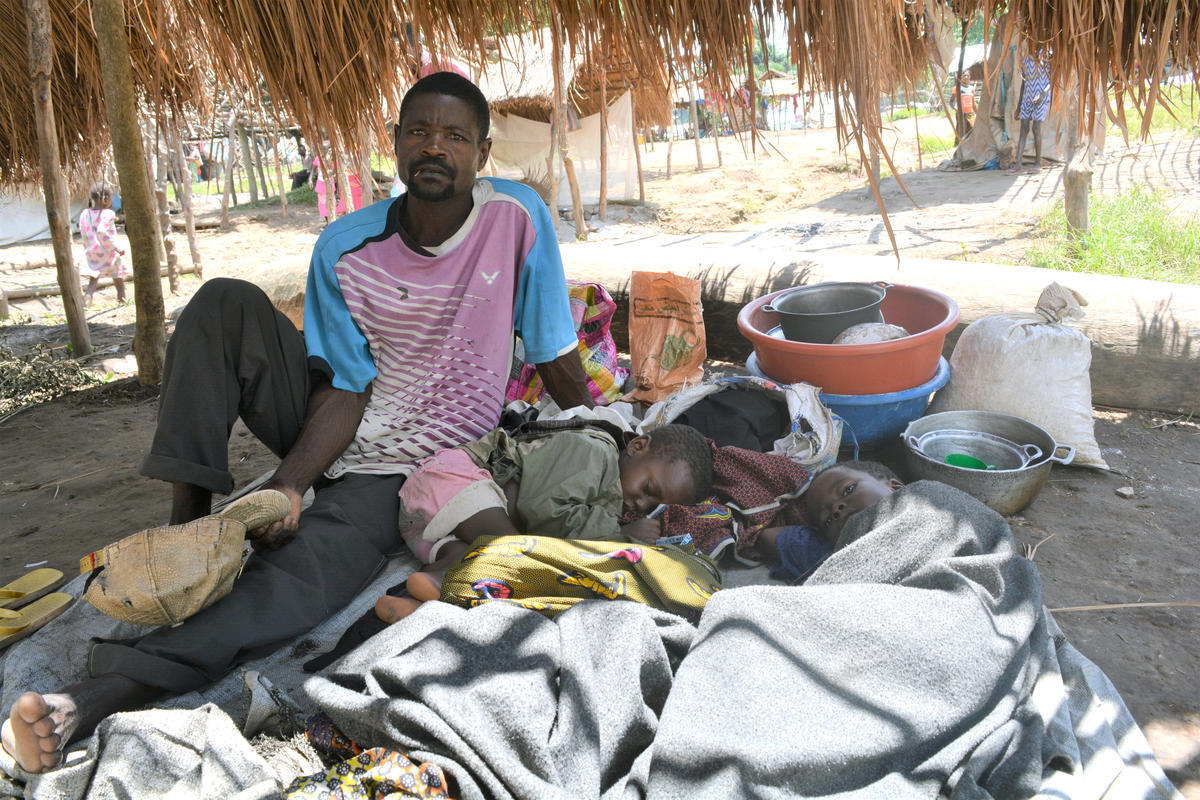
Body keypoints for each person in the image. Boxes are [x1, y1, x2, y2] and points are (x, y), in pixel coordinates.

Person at [2, 71, 595, 775]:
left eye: (455, 136)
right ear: (396, 142)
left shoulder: (517, 219)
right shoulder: (343, 246)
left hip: (416, 462)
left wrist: (604, 426)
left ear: (482, 151)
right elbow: (344, 386)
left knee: (295, 585)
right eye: (419, 132)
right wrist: (289, 481)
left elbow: (556, 353)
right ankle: (189, 527)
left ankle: (98, 693)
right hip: (338, 422)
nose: (435, 148)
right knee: (223, 302)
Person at [372, 422, 713, 618]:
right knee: (518, 557)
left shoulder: (609, 498)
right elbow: (543, 508)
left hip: (435, 524)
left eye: (653, 503)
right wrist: (618, 533)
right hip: (452, 481)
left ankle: (420, 600)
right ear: (638, 446)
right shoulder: (594, 451)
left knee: (477, 567)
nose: (641, 501)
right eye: (649, 488)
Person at [754, 460, 903, 583]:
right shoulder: (835, 557)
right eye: (828, 521)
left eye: (848, 490)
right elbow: (766, 537)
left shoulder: (923, 500)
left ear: (895, 488)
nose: (836, 509)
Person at [77, 183, 127, 306]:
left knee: (92, 282)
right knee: (118, 280)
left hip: (91, 253)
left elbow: (83, 232)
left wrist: (88, 248)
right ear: (105, 199)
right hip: (108, 253)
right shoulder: (108, 214)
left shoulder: (85, 214)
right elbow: (101, 231)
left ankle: (86, 304)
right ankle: (123, 302)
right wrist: (116, 248)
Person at [1008, 49, 1052, 174]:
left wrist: (1043, 94)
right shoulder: (1025, 58)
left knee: (1036, 128)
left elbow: (1052, 79)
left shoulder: (1047, 56)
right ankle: (1018, 164)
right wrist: (1018, 107)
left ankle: (1038, 163)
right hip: (1027, 97)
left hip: (1041, 98)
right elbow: (1024, 82)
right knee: (1023, 129)